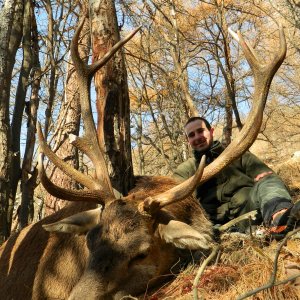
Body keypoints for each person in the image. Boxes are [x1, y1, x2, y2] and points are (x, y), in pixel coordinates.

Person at [173, 116, 299, 238]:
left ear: (211, 131)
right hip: (216, 227)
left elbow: (267, 177)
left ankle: (281, 218)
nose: (197, 137)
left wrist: (272, 199)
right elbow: (173, 197)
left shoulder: (237, 153)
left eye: (200, 131)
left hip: (251, 212)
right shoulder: (184, 171)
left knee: (269, 180)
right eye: (191, 135)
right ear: (187, 141)